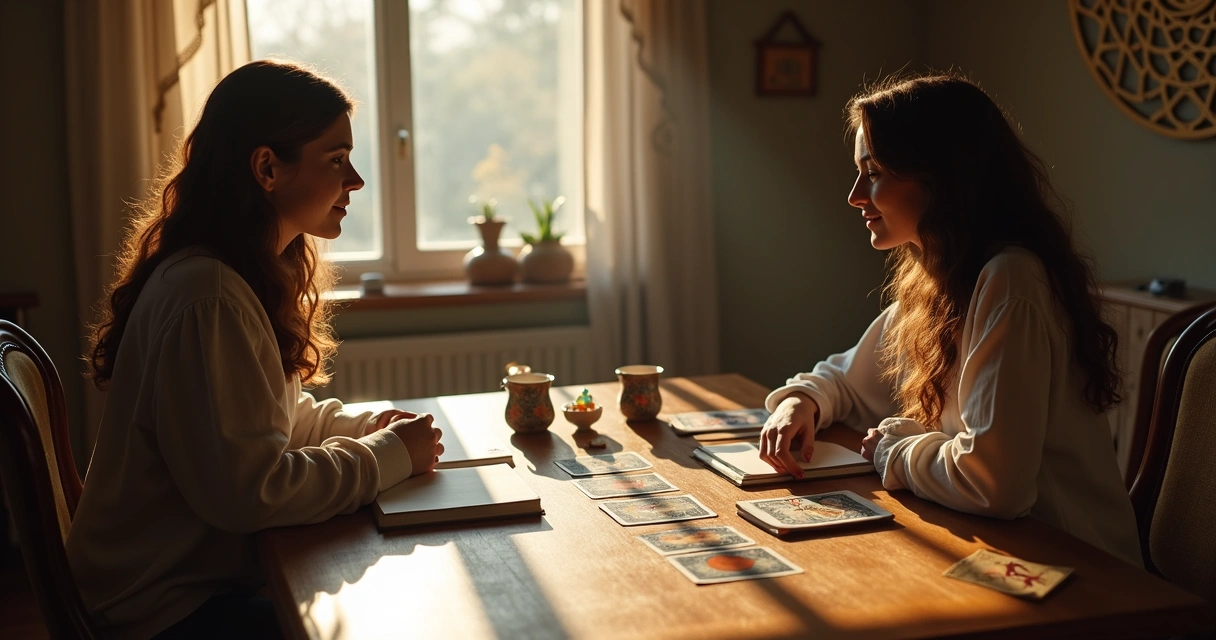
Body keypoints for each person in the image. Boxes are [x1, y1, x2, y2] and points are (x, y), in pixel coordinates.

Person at [67, 60, 444, 639]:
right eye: (337, 160)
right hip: (162, 613)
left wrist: (371, 426)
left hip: (188, 590)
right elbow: (251, 494)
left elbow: (268, 425)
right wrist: (385, 455)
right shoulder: (208, 296)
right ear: (267, 168)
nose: (357, 182)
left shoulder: (231, 277)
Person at [758, 72, 1142, 567]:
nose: (855, 195)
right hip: (997, 547)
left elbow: (993, 485)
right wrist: (801, 402)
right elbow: (850, 382)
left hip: (1076, 568)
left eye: (874, 172)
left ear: (942, 176)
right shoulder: (940, 282)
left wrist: (892, 451)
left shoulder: (1011, 280)